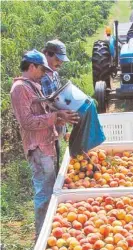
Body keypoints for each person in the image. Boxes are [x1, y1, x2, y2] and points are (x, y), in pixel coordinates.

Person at [10, 49, 79, 239]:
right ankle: (41, 235)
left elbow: (42, 114)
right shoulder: (20, 89)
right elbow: (27, 121)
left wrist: (59, 119)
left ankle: (50, 229)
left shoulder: (33, 85)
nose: (44, 74)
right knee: (44, 191)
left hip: (46, 144)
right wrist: (55, 117)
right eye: (42, 69)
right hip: (38, 148)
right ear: (32, 66)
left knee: (51, 187)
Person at [41, 39, 70, 174]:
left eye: (61, 60)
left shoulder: (55, 74)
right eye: (57, 59)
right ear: (47, 54)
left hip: (57, 125)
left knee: (56, 158)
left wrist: (65, 128)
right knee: (48, 167)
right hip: (45, 128)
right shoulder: (40, 77)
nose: (60, 63)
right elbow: (43, 105)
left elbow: (59, 101)